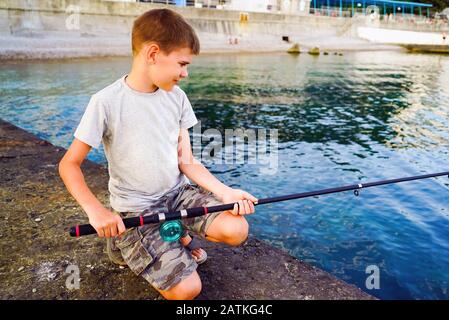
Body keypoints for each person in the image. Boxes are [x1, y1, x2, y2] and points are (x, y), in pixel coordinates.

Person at [58, 8, 257, 300]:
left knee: (237, 229)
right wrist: (96, 211)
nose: (185, 73)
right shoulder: (105, 102)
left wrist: (226, 192)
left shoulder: (177, 97)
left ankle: (170, 234)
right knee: (188, 290)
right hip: (138, 211)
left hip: (178, 197)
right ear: (153, 53)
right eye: (181, 63)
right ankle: (130, 243)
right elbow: (69, 165)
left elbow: (186, 161)